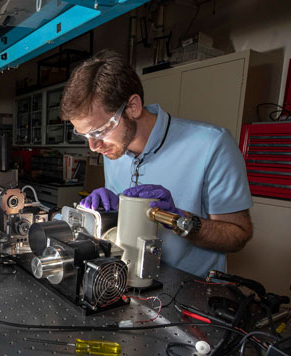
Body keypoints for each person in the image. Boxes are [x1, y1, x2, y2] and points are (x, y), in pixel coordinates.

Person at [59, 49, 253, 278]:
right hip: (126, 280)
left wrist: (180, 219)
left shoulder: (212, 145)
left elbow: (238, 236)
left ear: (133, 106)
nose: (93, 146)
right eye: (85, 136)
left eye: (100, 131)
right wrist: (110, 211)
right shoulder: (114, 148)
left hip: (189, 294)